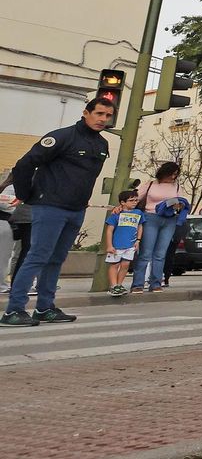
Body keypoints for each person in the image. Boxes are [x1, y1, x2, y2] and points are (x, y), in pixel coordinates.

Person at [1, 96, 115, 327]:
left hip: (76, 209)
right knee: (37, 257)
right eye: (99, 114)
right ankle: (13, 311)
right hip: (50, 207)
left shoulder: (101, 144)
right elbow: (24, 165)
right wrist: (25, 195)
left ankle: (44, 308)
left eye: (108, 116)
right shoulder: (61, 137)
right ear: (86, 113)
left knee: (56, 259)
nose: (103, 119)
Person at [131, 162, 185, 293]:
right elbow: (136, 197)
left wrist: (176, 205)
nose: (173, 177)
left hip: (169, 219)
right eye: (172, 173)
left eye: (176, 174)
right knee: (145, 253)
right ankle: (137, 284)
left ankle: (155, 283)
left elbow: (182, 202)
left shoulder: (177, 187)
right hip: (150, 217)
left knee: (160, 254)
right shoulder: (150, 184)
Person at [101, 189, 142, 296]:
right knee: (114, 264)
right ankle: (113, 286)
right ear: (123, 202)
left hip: (130, 244)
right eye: (131, 200)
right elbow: (109, 230)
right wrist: (109, 245)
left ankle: (119, 285)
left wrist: (138, 240)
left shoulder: (138, 213)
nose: (134, 202)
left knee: (125, 264)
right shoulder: (116, 214)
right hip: (117, 244)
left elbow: (140, 226)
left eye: (136, 200)